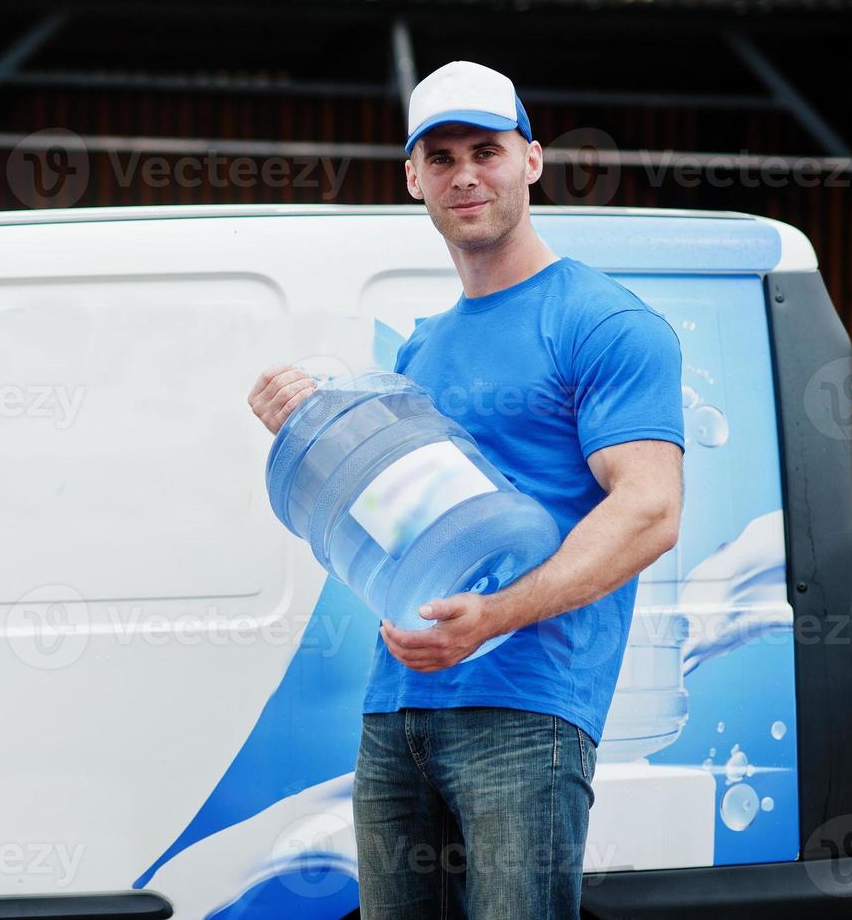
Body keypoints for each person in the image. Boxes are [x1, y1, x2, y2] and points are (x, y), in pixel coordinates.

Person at [246, 60, 685, 919]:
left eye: (486, 150)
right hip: (398, 708)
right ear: (413, 178)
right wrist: (308, 430)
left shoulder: (602, 322)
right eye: (440, 159)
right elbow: (392, 516)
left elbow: (648, 511)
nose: (465, 175)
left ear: (531, 160)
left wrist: (497, 615)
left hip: (525, 711)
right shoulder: (421, 350)